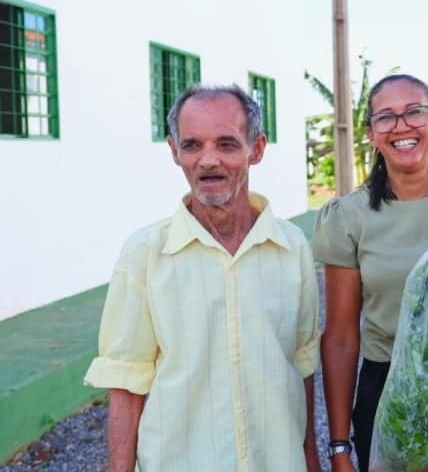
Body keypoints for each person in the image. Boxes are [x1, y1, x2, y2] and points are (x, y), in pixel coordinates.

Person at [84, 84, 321, 471]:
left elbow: (301, 366)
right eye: (192, 145)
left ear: (256, 149)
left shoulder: (292, 247)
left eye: (227, 144)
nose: (208, 160)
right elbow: (126, 383)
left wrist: (310, 460)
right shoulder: (144, 253)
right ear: (174, 151)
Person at [313, 74, 428, 472]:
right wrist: (339, 447)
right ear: (372, 134)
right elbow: (341, 336)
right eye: (386, 117)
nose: (402, 126)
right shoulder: (348, 217)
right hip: (390, 391)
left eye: (415, 112)